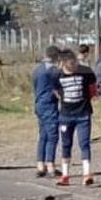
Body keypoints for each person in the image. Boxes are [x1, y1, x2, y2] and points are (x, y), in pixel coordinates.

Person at [56, 50, 97, 186]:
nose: (72, 65)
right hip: (66, 115)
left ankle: (87, 174)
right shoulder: (56, 75)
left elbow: (93, 90)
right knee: (66, 144)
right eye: (69, 63)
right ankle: (65, 175)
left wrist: (89, 98)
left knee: (84, 143)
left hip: (83, 114)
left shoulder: (86, 72)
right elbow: (55, 91)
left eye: (74, 62)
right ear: (63, 63)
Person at [31, 45, 61, 177]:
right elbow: (58, 88)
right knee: (53, 135)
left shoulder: (37, 70)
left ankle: (40, 164)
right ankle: (50, 164)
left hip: (39, 103)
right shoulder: (53, 71)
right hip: (49, 104)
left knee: (43, 134)